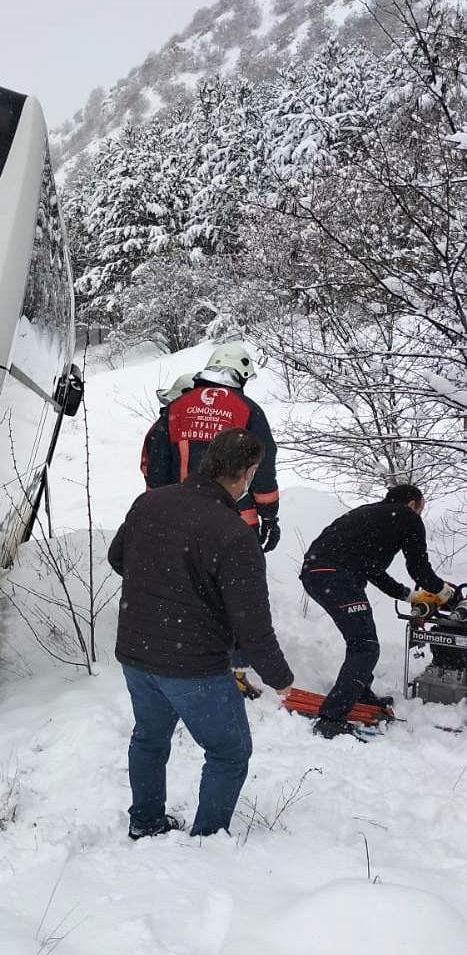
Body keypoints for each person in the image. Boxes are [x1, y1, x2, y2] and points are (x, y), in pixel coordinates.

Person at [108, 428, 294, 839]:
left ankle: (146, 821)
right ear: (247, 473)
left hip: (136, 653)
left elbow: (117, 557)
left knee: (149, 740)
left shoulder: (149, 502)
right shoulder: (234, 534)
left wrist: (164, 590)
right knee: (229, 751)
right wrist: (280, 678)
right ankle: (208, 841)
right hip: (192, 666)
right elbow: (253, 624)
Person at [300, 484, 452, 739]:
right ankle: (331, 718)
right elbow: (419, 569)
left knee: (362, 640)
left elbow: (373, 570)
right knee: (365, 645)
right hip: (335, 576)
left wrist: (411, 595)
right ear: (413, 504)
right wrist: (447, 594)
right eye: (420, 509)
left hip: (318, 573)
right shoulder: (406, 517)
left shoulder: (369, 515)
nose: (419, 516)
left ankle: (358, 690)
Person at [140, 342, 281, 553]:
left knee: (184, 582)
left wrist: (155, 510)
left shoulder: (177, 408)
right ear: (240, 375)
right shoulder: (248, 410)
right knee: (236, 582)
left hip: (181, 521)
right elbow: (263, 468)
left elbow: (157, 465)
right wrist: (269, 516)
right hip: (236, 522)